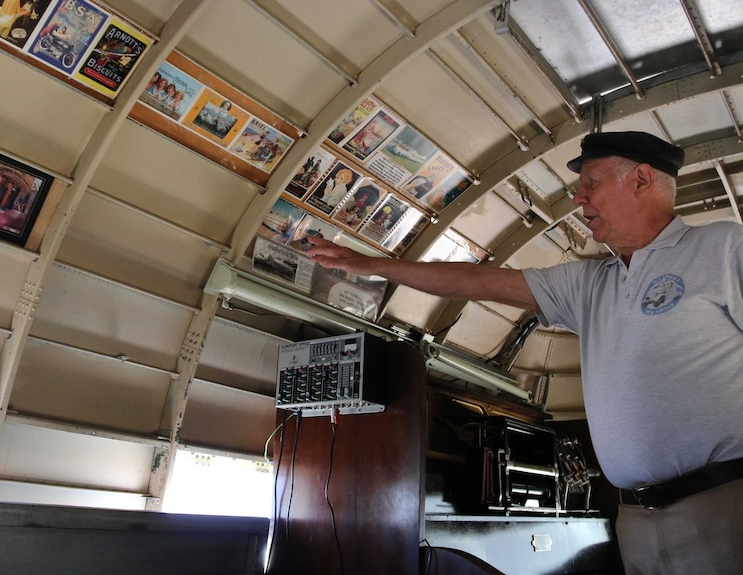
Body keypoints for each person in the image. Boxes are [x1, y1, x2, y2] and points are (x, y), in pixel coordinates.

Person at [307, 131, 743, 574]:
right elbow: (477, 282)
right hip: (636, 519)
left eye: (590, 182)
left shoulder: (722, 248)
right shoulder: (591, 283)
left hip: (725, 504)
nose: (578, 199)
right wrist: (370, 264)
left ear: (642, 180)